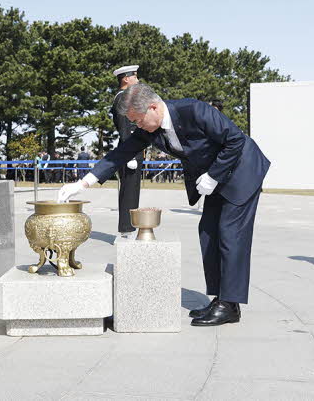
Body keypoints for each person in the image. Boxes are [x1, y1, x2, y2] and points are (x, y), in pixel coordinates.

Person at [58, 84, 270, 327]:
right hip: (214, 177)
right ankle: (221, 299)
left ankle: (230, 305)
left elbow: (235, 140)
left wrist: (213, 175)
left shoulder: (195, 110)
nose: (137, 126)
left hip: (242, 171)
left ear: (153, 107)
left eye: (137, 120)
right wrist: (83, 183)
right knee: (209, 233)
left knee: (230, 234)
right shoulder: (149, 128)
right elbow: (121, 153)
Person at [111, 65, 144, 239]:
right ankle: (126, 230)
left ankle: (128, 228)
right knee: (129, 190)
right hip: (129, 149)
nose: (137, 80)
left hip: (131, 148)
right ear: (125, 79)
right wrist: (130, 154)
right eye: (134, 76)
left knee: (132, 189)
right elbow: (125, 127)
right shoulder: (123, 97)